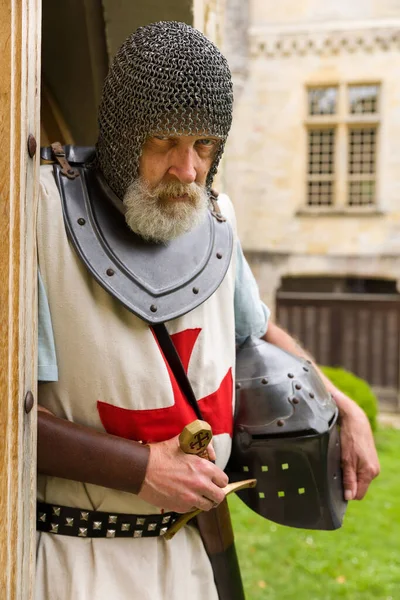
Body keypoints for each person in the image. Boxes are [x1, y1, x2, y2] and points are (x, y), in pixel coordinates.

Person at [36, 21, 380, 600]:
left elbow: (255, 332)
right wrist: (142, 469)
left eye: (203, 146)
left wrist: (345, 407)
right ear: (123, 134)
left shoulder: (216, 217)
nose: (187, 169)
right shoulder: (40, 215)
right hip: (79, 559)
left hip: (193, 557)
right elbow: (10, 414)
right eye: (164, 142)